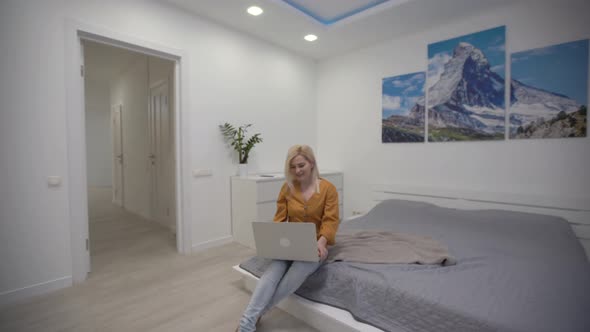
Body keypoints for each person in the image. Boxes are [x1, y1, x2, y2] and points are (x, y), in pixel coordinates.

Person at [236, 144, 340, 332]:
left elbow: (331, 221)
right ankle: (247, 325)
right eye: (292, 167)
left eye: (301, 165)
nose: (297, 170)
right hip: (289, 243)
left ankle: (253, 317)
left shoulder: (328, 189)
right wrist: (275, 239)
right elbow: (280, 219)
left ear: (312, 163)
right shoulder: (287, 188)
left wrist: (322, 241)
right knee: (271, 274)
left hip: (315, 245)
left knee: (297, 272)